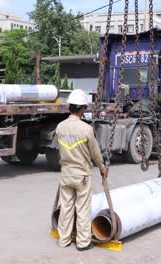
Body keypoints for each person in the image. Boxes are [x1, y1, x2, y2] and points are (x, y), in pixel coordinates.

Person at [55, 89, 107, 251]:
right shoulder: (86, 129)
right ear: (82, 109)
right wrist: (102, 167)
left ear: (70, 106)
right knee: (83, 208)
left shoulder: (60, 127)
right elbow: (95, 152)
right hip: (82, 175)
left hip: (66, 173)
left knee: (66, 207)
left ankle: (63, 240)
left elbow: (60, 149)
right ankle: (83, 243)